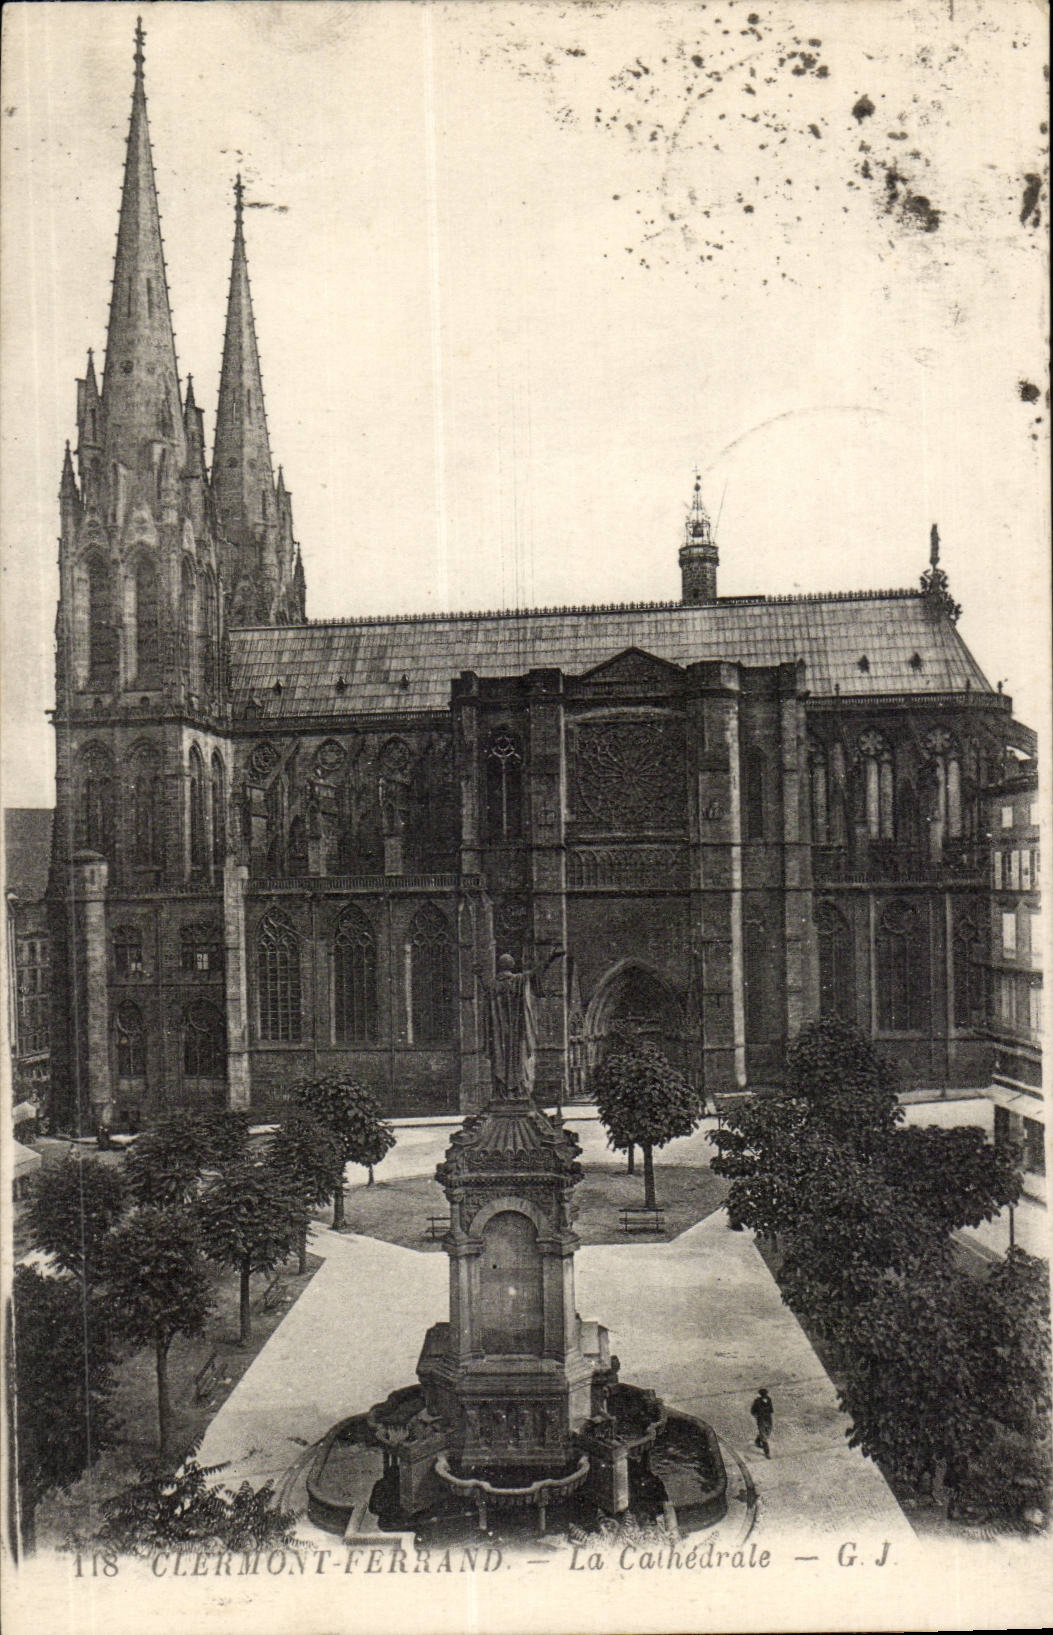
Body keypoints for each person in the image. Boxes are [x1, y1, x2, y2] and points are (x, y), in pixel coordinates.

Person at [750, 1387, 774, 1458]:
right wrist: (757, 1415)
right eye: (763, 1394)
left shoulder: (769, 1400)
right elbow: (753, 1411)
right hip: (761, 1419)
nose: (764, 1395)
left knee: (768, 1433)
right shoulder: (757, 1401)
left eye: (765, 1394)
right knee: (764, 1435)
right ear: (760, 1394)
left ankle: (757, 1441)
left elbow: (771, 1410)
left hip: (768, 1419)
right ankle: (767, 1452)